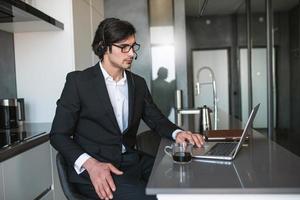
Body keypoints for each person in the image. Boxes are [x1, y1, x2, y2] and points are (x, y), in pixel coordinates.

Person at [50, 18, 204, 200]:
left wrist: (178, 133)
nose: (131, 53)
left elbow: (156, 119)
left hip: (131, 160)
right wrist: (91, 165)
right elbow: (58, 135)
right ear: (103, 47)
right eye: (124, 47)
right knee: (150, 197)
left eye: (133, 46)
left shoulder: (137, 83)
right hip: (97, 169)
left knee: (185, 176)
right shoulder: (78, 82)